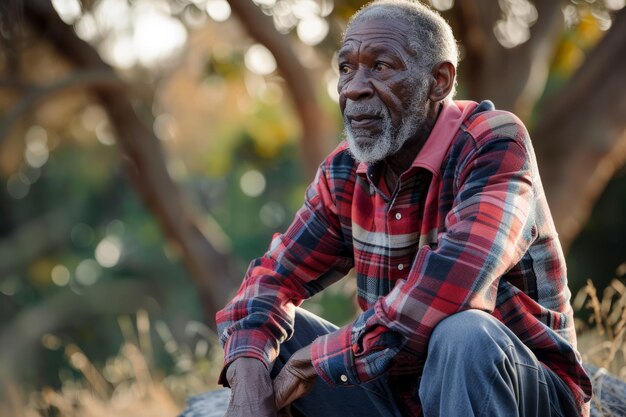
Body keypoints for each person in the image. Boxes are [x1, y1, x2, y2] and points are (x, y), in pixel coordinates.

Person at [216, 1, 593, 416]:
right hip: (402, 396)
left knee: (463, 333)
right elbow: (270, 281)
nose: (353, 88)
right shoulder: (344, 170)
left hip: (525, 391)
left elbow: (455, 281)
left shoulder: (494, 141)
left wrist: (315, 361)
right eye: (346, 68)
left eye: (380, 67)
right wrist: (249, 378)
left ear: (439, 81)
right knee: (270, 340)